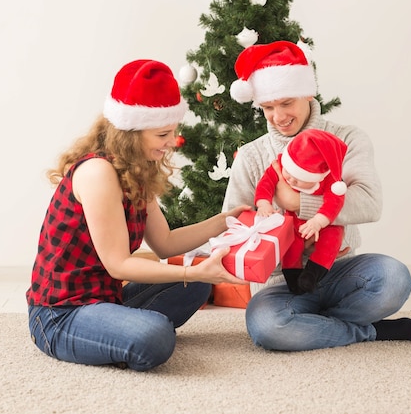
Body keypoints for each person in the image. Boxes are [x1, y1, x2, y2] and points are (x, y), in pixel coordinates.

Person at [26, 59, 249, 371]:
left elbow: (166, 243)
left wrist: (225, 220)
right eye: (162, 134)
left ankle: (115, 331)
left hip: (104, 300)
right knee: (156, 336)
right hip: (61, 314)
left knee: (198, 286)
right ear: (130, 133)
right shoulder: (97, 173)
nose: (172, 143)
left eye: (173, 132)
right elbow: (119, 265)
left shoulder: (134, 170)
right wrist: (191, 272)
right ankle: (119, 334)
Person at [224, 40, 411, 351]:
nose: (278, 116)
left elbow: (370, 204)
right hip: (281, 284)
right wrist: (281, 233)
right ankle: (367, 331)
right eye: (267, 107)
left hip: (337, 269)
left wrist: (298, 204)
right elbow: (232, 224)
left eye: (286, 103)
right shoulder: (253, 156)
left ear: (308, 92)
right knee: (268, 327)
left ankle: (316, 327)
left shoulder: (347, 139)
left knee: (394, 277)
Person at [254, 128, 348, 295]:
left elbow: (334, 202)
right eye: (287, 172)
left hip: (323, 224)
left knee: (332, 239)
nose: (289, 179)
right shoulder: (282, 162)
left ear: (316, 176)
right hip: (294, 220)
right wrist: (263, 204)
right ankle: (292, 277)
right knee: (291, 242)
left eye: (297, 178)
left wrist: (318, 221)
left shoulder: (330, 180)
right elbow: (266, 183)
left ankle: (312, 275)